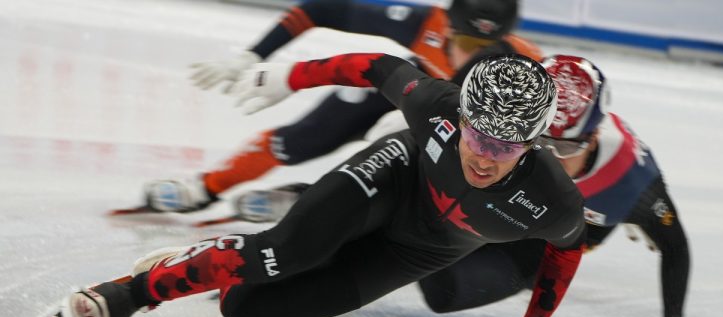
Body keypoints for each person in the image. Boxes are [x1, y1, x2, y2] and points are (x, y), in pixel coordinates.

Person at [52, 53, 588, 317]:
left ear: (536, 144)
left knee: (246, 310)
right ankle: (127, 293)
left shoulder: (555, 202)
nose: (483, 157)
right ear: (462, 116)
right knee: (283, 252)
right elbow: (380, 67)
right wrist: (291, 76)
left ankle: (207, 262)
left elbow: (567, 253)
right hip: (396, 175)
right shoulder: (438, 108)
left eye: (505, 147)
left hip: (417, 253)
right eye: (476, 135)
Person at [233, 55, 723, 317]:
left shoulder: (631, 179)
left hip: (522, 242)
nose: (544, 159)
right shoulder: (516, 117)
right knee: (402, 186)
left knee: (444, 291)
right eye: (536, 141)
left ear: (595, 137)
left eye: (560, 148)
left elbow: (677, 246)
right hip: (462, 198)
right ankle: (309, 217)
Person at [136, 0, 543, 213]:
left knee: (393, 163)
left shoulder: (525, 69)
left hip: (453, 127)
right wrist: (253, 55)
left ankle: (317, 202)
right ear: (447, 25)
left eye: (484, 49)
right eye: (465, 42)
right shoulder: (426, 23)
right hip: (408, 89)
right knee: (301, 138)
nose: (468, 56)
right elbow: (321, 8)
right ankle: (207, 186)